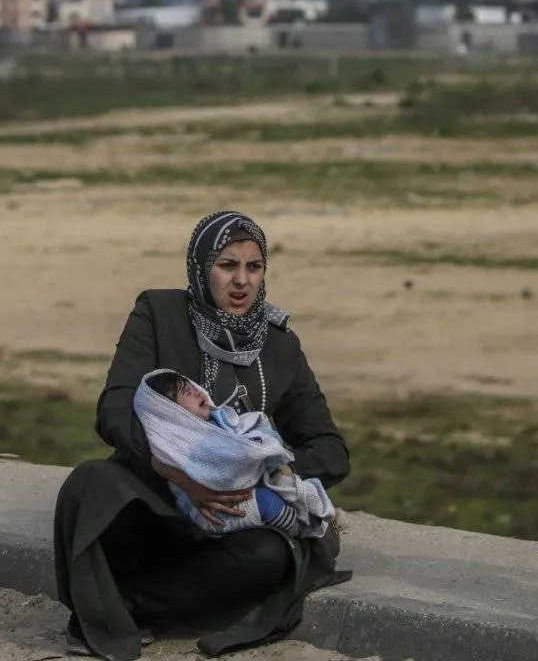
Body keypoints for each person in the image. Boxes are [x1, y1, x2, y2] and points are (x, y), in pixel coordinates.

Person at [53, 210, 350, 661]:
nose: (241, 282)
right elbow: (113, 410)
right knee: (91, 484)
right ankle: (126, 600)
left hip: (232, 518)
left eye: (254, 267)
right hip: (157, 498)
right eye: (227, 265)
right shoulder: (159, 313)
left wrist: (253, 472)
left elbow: (331, 450)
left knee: (272, 555)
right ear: (200, 266)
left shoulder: (280, 345)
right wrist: (180, 472)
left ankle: (126, 609)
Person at [139, 370, 337, 538]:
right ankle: (300, 532)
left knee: (293, 487)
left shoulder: (217, 419)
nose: (194, 390)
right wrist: (247, 455)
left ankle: (317, 517)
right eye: (184, 393)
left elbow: (248, 426)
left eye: (190, 386)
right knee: (267, 502)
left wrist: (259, 446)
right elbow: (223, 466)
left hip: (249, 488)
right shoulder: (178, 445)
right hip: (215, 511)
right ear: (170, 412)